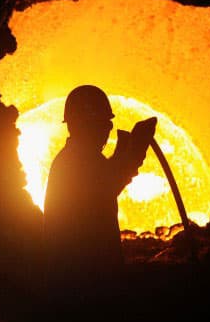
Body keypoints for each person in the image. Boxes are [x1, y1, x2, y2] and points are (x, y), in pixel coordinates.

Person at [42, 85, 156, 292]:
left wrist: (127, 151)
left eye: (108, 123)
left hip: (84, 279)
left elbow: (106, 179)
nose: (108, 128)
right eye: (104, 122)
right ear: (87, 124)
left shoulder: (78, 159)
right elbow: (106, 184)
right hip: (84, 283)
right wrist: (136, 150)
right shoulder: (74, 162)